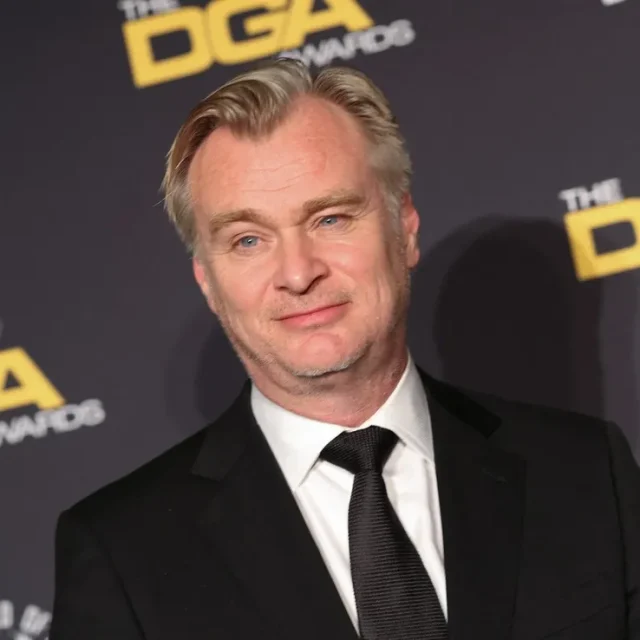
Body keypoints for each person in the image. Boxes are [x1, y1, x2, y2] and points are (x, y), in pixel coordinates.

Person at [49, 58, 640, 640]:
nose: (298, 273)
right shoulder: (121, 555)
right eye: (248, 240)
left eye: (329, 219)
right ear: (207, 281)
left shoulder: (585, 470)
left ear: (404, 228)